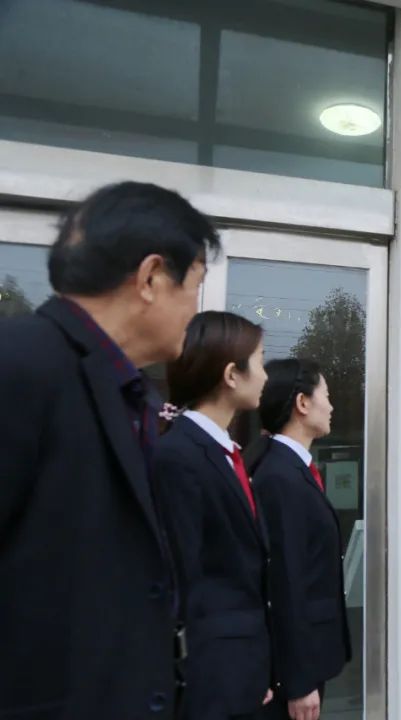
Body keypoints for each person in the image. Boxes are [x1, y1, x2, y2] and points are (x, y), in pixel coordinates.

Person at [0, 182, 218, 718]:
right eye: (195, 285)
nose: (196, 308)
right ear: (151, 278)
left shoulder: (124, 392)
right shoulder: (20, 367)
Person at [153, 311, 273, 720]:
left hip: (240, 672)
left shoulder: (226, 453)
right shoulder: (179, 456)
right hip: (208, 683)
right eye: (260, 361)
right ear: (231, 374)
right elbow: (180, 580)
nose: (265, 376)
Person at [246, 359, 351, 720]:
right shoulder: (279, 477)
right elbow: (285, 582)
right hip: (293, 674)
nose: (332, 406)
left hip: (307, 659)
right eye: (327, 395)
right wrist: (298, 680)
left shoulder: (289, 468)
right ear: (302, 403)